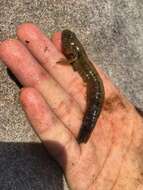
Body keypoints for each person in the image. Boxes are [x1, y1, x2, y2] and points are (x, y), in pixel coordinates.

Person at [0, 23, 143, 190]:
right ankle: (83, 136)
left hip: (95, 92)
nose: (66, 41)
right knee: (92, 108)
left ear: (73, 54)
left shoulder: (75, 59)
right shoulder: (76, 57)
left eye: (69, 42)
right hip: (93, 88)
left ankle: (83, 136)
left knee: (92, 110)